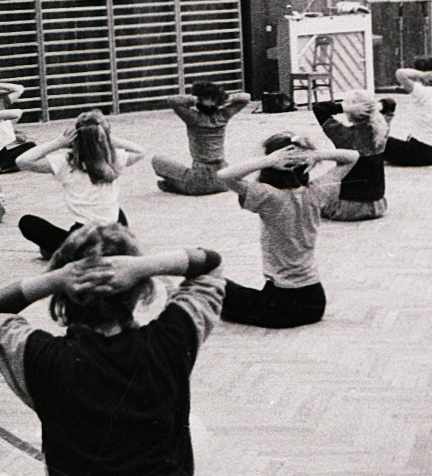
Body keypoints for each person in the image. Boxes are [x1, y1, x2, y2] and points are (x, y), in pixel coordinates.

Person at [0, 225, 224, 476]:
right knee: (192, 426)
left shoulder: (40, 355)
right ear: (138, 290)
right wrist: (143, 266)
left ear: (64, 294)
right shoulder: (172, 338)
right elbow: (210, 264)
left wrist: (57, 277)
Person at [216, 133, 357, 328]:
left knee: (212, 283)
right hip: (315, 301)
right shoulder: (316, 192)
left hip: (282, 306)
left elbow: (223, 175)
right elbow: (352, 156)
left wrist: (266, 160)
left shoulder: (269, 196)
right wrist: (316, 155)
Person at [17, 111, 147, 260]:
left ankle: (70, 251)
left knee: (27, 222)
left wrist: (58, 143)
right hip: (115, 235)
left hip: (85, 236)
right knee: (116, 210)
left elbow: (22, 161)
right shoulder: (113, 158)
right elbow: (141, 151)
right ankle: (107, 248)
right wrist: (108, 138)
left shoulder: (66, 163)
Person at [151, 82, 252, 196]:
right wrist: (222, 98)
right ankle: (173, 186)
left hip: (199, 179)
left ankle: (175, 186)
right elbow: (246, 97)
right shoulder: (223, 116)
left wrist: (199, 99)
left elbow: (173, 100)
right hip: (224, 179)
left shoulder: (193, 118)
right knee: (177, 179)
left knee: (157, 160)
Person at [310, 90, 389, 221]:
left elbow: (319, 108)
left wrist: (345, 108)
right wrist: (371, 107)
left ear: (350, 113)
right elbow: (390, 104)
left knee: (314, 194)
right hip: (378, 205)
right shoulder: (381, 132)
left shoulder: (343, 134)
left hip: (348, 208)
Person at [384, 57, 432, 166]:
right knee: (409, 138)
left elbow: (400, 73)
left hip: (421, 152)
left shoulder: (420, 91)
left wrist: (423, 75)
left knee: (384, 141)